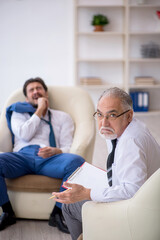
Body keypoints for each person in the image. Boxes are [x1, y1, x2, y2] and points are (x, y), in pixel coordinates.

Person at [52, 87, 160, 240]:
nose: (104, 123)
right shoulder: (124, 130)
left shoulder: (131, 142)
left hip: (137, 213)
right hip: (145, 202)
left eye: (112, 115)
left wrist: (87, 193)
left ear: (129, 115)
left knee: (69, 207)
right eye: (100, 114)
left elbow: (132, 190)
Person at [0, 77, 85, 233]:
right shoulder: (18, 114)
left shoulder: (63, 117)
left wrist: (57, 151)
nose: (36, 92)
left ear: (46, 93)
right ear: (26, 98)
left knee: (78, 162)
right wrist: (39, 110)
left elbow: (68, 146)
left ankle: (57, 213)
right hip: (21, 157)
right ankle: (7, 211)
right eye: (31, 90)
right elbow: (24, 135)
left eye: (39, 88)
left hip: (50, 158)